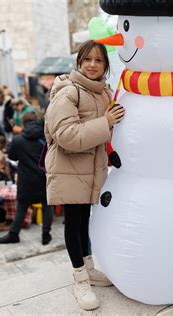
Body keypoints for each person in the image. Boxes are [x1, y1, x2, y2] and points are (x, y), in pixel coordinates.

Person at [43, 40, 125, 311]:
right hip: (69, 168)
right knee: (73, 221)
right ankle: (79, 278)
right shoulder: (68, 93)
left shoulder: (103, 92)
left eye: (98, 60)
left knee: (84, 221)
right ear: (79, 62)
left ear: (105, 65)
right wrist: (106, 122)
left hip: (90, 170)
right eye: (87, 59)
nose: (92, 64)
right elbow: (66, 136)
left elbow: (105, 136)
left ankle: (88, 268)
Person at [0, 112, 53, 245]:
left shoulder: (17, 139)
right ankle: (46, 234)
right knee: (47, 205)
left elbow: (12, 157)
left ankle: (14, 234)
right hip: (44, 177)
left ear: (23, 123)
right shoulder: (46, 137)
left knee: (22, 206)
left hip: (26, 179)